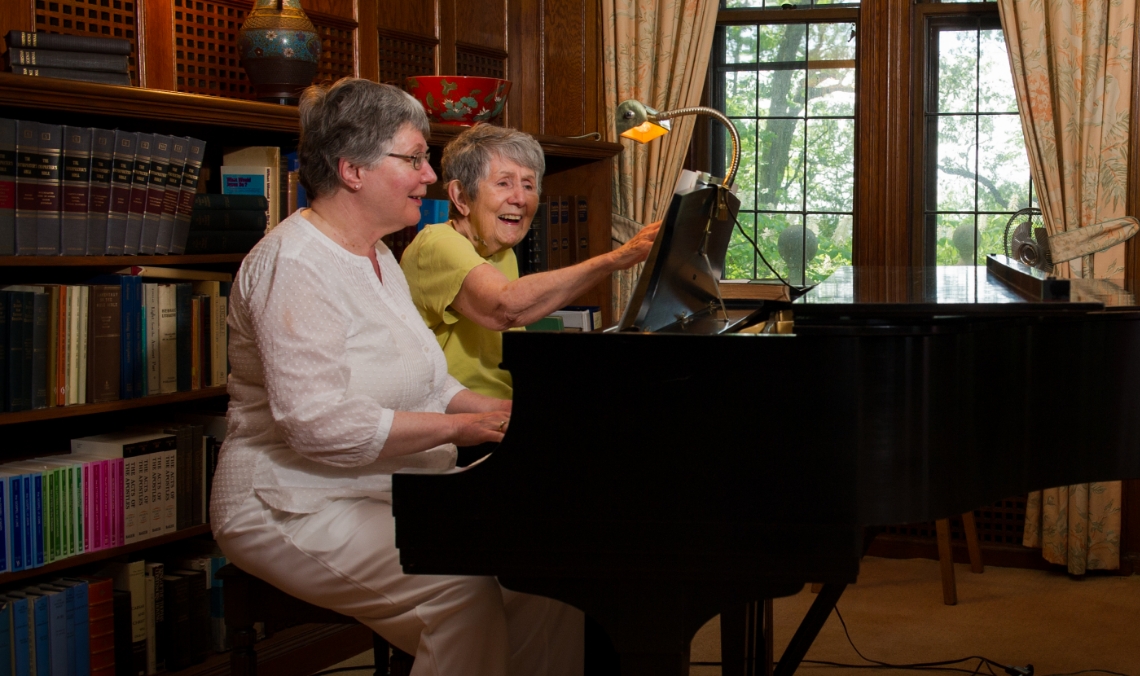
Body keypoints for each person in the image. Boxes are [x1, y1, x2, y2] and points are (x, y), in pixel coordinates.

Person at [209, 78, 583, 676]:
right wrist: (464, 430)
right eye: (413, 158)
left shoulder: (378, 253)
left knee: (547, 582)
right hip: (288, 502)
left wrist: (511, 417)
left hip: (383, 487)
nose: (431, 176)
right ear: (352, 169)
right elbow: (318, 426)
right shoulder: (294, 264)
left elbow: (433, 386)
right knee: (458, 595)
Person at [400, 124, 660, 400]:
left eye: (528, 185)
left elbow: (521, 313)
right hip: (458, 421)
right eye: (503, 183)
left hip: (509, 401)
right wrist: (617, 258)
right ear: (461, 197)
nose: (520, 199)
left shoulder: (500, 251)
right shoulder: (438, 243)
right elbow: (505, 307)